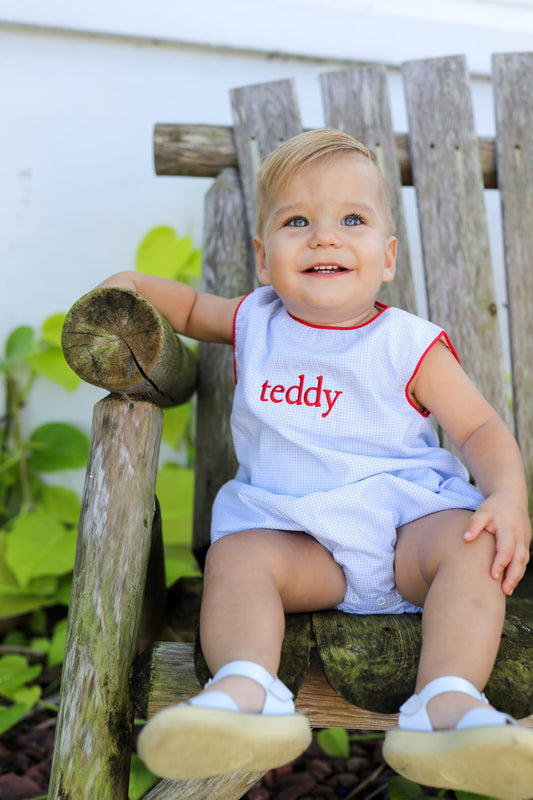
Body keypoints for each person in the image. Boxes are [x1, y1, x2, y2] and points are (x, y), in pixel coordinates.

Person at [97, 129, 533, 798]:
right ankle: (245, 691)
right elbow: (182, 306)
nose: (323, 238)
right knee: (237, 560)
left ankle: (445, 704)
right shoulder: (253, 320)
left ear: (386, 256)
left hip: (404, 534)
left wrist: (504, 494)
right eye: (296, 221)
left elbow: (476, 426)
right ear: (262, 257)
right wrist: (123, 288)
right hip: (300, 544)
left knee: (470, 544)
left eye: (350, 220)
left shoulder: (405, 343)